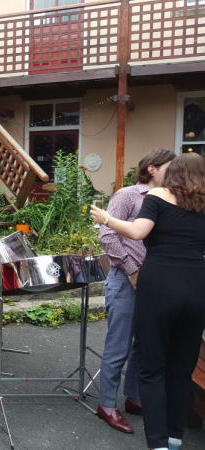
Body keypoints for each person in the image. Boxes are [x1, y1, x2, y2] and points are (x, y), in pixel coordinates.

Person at [91, 153, 205, 450]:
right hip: (196, 287)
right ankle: (174, 436)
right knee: (181, 369)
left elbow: (138, 231)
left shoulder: (157, 196)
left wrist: (106, 219)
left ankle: (158, 444)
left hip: (158, 286)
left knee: (151, 368)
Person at [95, 149, 175, 434]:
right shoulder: (128, 195)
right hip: (124, 280)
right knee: (119, 345)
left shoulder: (168, 198)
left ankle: (133, 398)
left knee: (144, 343)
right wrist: (131, 270)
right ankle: (106, 404)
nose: (176, 170)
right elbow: (107, 235)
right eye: (171, 166)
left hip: (154, 281)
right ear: (152, 169)